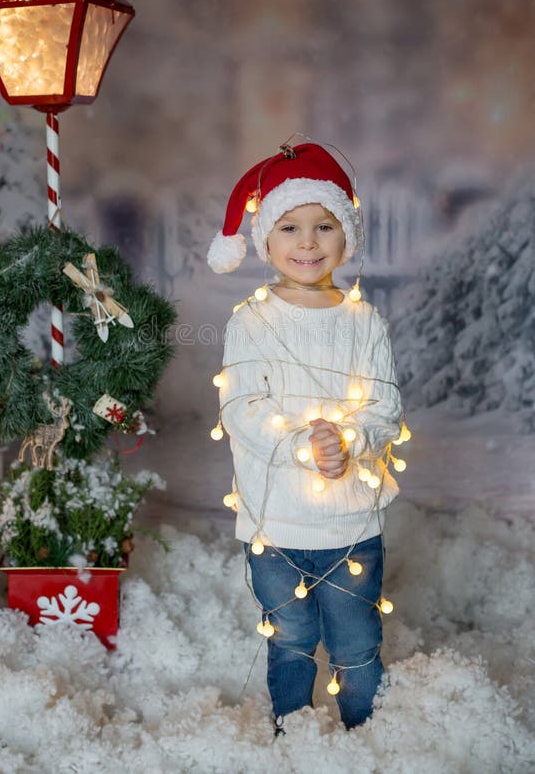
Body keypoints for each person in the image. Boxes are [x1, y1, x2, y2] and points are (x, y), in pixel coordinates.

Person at [207, 141, 405, 734]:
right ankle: (293, 730)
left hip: (350, 523)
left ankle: (362, 731)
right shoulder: (251, 321)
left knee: (354, 638)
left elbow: (385, 406)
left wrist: (347, 440)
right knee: (290, 634)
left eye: (325, 226)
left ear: (347, 238)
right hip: (275, 523)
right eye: (289, 227)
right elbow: (242, 407)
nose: (308, 242)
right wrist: (301, 445)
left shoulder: (364, 321)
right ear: (264, 240)